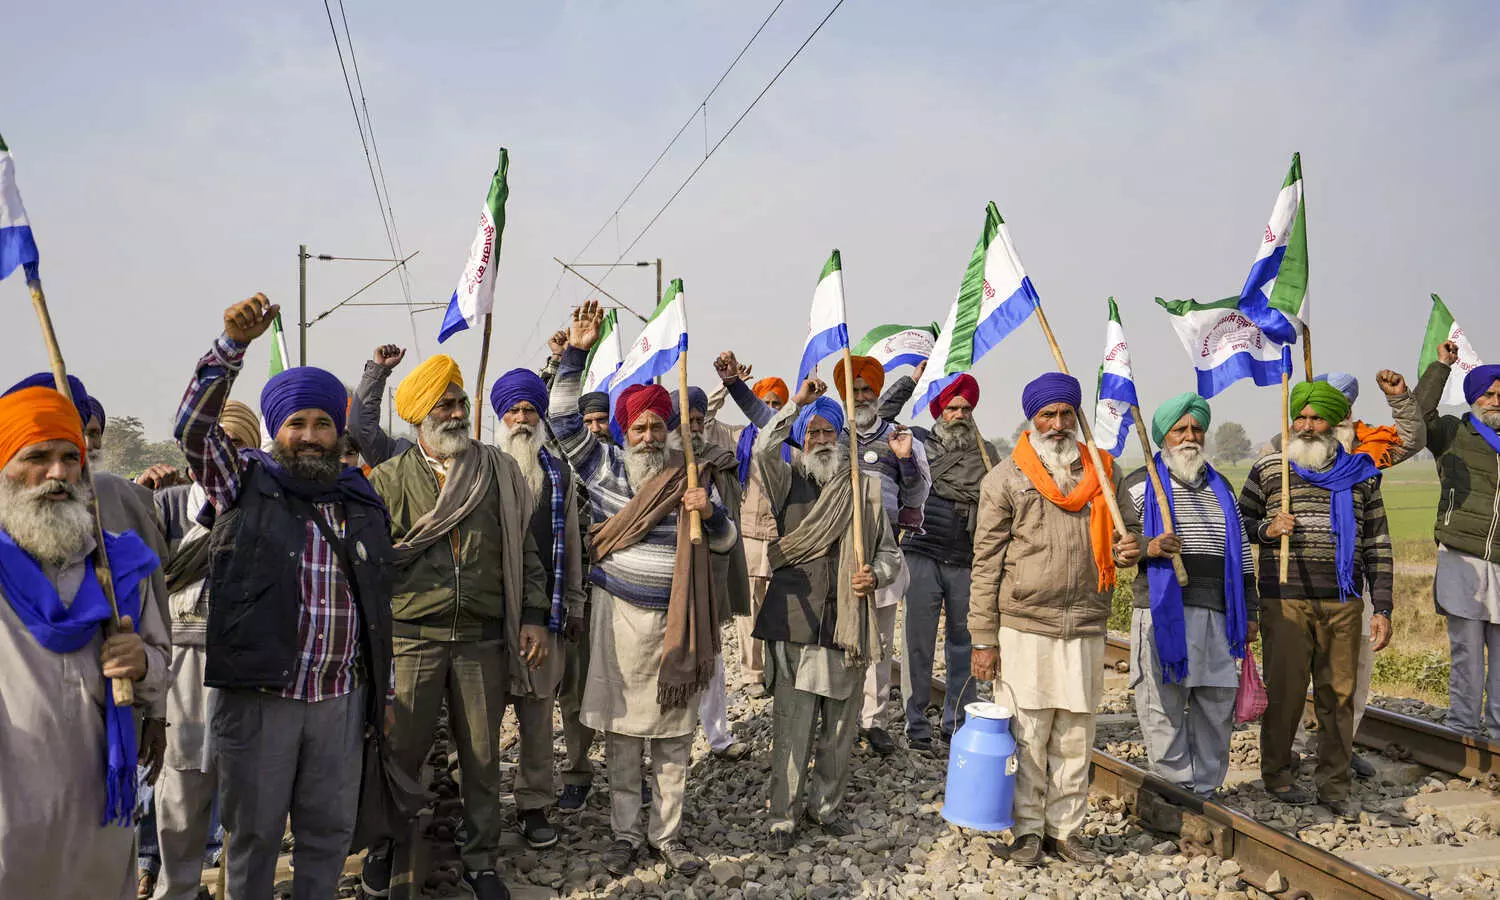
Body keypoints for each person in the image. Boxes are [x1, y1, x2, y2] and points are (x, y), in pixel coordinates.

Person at [174, 294, 397, 899]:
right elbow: (193, 430)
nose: (310, 436)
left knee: (328, 835)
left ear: (338, 430)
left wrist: (383, 692)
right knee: (254, 837)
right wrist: (230, 347)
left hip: (339, 699)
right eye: (297, 424)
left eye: (323, 423)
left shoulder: (360, 498)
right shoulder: (243, 481)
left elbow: (378, 605)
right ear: (276, 431)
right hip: (262, 699)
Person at [549, 300, 738, 879]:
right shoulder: (605, 469)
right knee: (624, 738)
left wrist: (711, 513)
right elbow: (562, 421)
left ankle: (667, 835)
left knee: (675, 740)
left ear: (669, 430)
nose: (650, 435)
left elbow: (727, 543)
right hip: (618, 623)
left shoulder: (690, 474)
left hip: (678, 627)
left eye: (658, 426)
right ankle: (627, 834)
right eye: (640, 427)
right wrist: (575, 352)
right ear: (625, 431)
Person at [357, 352, 551, 899]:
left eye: (461, 402)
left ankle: (481, 858)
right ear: (420, 413)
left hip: (480, 639)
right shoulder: (389, 478)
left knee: (483, 757)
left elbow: (524, 551)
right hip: (411, 637)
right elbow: (373, 564)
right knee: (400, 751)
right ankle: (386, 845)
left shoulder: (497, 470)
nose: (457, 412)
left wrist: (533, 616)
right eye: (444, 404)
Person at [3, 372, 173, 895]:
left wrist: (142, 662)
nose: (57, 473)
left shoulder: (119, 562)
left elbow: (160, 664)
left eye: (70, 457)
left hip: (98, 806)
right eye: (37, 457)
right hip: (9, 813)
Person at [969, 372, 1141, 866]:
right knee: (1027, 730)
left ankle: (1064, 831)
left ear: (1076, 416)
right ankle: (1026, 830)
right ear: (1033, 419)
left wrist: (1131, 547)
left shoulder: (1104, 471)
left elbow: (1129, 533)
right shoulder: (1005, 478)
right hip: (1024, 623)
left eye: (1067, 413)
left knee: (1076, 733)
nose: (1059, 423)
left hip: (1085, 621)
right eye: (1049, 414)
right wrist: (982, 637)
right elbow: (985, 563)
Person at [752, 380, 901, 849]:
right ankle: (783, 817)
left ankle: (826, 808)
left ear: (840, 436)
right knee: (792, 729)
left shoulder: (865, 488)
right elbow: (762, 448)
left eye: (827, 432)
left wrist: (875, 574)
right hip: (796, 622)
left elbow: (890, 553)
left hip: (847, 624)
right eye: (812, 432)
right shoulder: (785, 480)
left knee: (839, 729)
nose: (820, 439)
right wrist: (796, 405)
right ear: (802, 438)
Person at [1239, 380, 1393, 821]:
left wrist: (1383, 607)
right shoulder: (1270, 470)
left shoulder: (1362, 473)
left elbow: (1378, 543)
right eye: (1300, 417)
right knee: (1286, 693)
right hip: (1284, 600)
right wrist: (1269, 529)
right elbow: (1240, 524)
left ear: (1336, 422)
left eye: (1316, 418)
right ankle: (1277, 774)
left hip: (1343, 601)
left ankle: (1335, 784)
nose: (1306, 426)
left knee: (1339, 697)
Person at [1119, 393, 1258, 799]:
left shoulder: (1221, 486)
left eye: (1196, 429)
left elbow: (1242, 554)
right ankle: (1175, 791)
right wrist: (1150, 546)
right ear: (1164, 436)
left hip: (1219, 611)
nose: (1189, 437)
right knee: (1162, 704)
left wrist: (1251, 611)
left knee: (1216, 703)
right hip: (1162, 609)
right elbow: (1117, 544)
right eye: (1179, 429)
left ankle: (1207, 790)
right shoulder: (1141, 484)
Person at [147, 406, 258, 900]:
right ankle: (177, 889)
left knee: (247, 795)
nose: (221, 454)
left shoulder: (261, 504)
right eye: (212, 442)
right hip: (181, 667)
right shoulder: (166, 505)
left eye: (236, 443)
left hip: (245, 666)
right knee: (180, 792)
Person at [1296, 370, 1424, 778]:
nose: (1326, 419)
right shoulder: (1288, 448)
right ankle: (1291, 747)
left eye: (1339, 407)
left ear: (1348, 411)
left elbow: (1412, 439)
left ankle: (1341, 746)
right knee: (1296, 668)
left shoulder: (1367, 451)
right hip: (1299, 579)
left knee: (1355, 668)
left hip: (1355, 580)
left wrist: (1400, 399)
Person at [488, 368, 587, 848]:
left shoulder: (558, 474)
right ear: (500, 417)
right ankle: (476, 809)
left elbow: (572, 546)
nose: (522, 418)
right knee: (478, 721)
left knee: (536, 716)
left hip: (544, 617)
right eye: (513, 411)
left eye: (529, 410)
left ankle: (533, 805)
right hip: (487, 618)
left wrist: (574, 605)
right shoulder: (479, 468)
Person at [833, 354, 930, 756]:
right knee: (838, 637)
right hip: (837, 551)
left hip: (885, 551)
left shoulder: (899, 437)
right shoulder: (833, 434)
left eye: (866, 390)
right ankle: (839, 717)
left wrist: (905, 460)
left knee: (880, 640)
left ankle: (873, 721)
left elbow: (916, 494)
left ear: (876, 393)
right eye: (853, 390)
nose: (860, 396)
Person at [890, 373, 986, 755]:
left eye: (966, 408)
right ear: (939, 412)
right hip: (921, 553)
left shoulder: (985, 455)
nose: (959, 414)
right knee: (918, 644)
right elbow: (883, 421)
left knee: (965, 645)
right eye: (952, 408)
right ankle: (916, 727)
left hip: (965, 558)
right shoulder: (918, 446)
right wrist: (910, 379)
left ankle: (956, 724)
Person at [1415, 348, 1500, 737]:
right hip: (1463, 556)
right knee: (1467, 651)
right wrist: (1441, 367)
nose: (1495, 401)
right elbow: (1418, 418)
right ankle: (1463, 728)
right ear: (1474, 398)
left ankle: (1497, 733)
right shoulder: (1453, 433)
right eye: (1488, 394)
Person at [673, 384, 752, 761]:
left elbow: (726, 517)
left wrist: (707, 508)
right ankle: (671, 740)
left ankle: (718, 738)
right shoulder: (656, 462)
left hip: (707, 571)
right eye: (685, 420)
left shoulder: (718, 462)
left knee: (712, 658)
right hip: (668, 578)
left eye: (698, 420)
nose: (693, 427)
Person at [705, 354, 787, 697]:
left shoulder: (789, 442)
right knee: (749, 610)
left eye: (776, 404)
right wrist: (727, 386)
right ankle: (753, 675)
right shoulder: (737, 437)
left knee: (782, 609)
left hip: (783, 536)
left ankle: (780, 675)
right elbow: (703, 419)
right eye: (765, 402)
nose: (770, 408)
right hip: (749, 534)